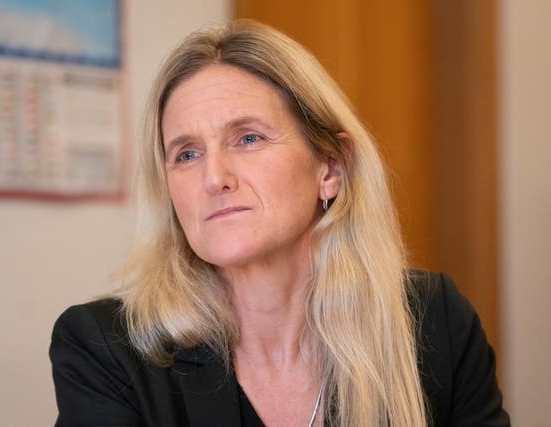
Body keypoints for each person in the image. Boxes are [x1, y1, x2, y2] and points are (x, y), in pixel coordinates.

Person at [50, 20, 509, 427]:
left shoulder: (434, 323)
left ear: (329, 168)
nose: (214, 179)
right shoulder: (107, 348)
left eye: (248, 138)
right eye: (187, 154)